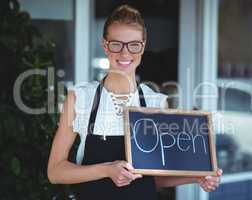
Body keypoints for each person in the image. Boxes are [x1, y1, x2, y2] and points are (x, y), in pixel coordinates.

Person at [47, 4, 222, 200]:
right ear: (105, 46)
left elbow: (152, 178)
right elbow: (55, 172)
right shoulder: (81, 98)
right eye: (116, 44)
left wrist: (197, 177)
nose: (125, 53)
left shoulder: (156, 103)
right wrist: (106, 170)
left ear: (143, 47)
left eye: (133, 44)